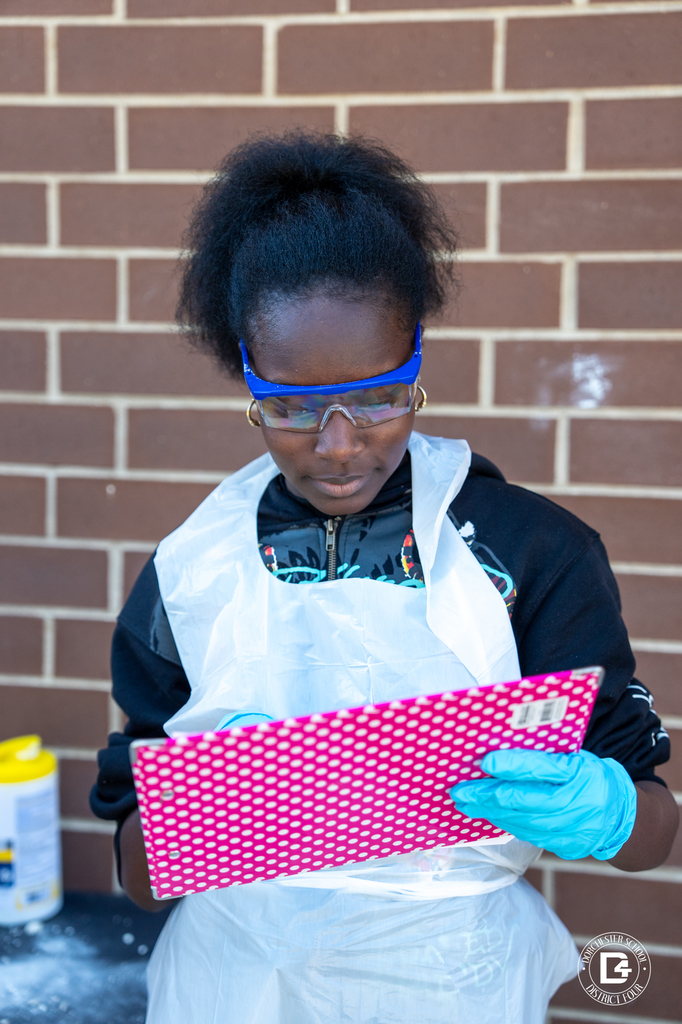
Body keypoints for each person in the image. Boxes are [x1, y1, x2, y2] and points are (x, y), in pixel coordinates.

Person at [91, 133, 677, 1024]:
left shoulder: (530, 554)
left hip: (453, 980)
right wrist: (207, 810)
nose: (337, 442)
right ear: (248, 380)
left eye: (377, 397)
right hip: (235, 982)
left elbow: (655, 830)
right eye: (288, 408)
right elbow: (134, 868)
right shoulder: (191, 574)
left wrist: (603, 810)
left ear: (416, 366)